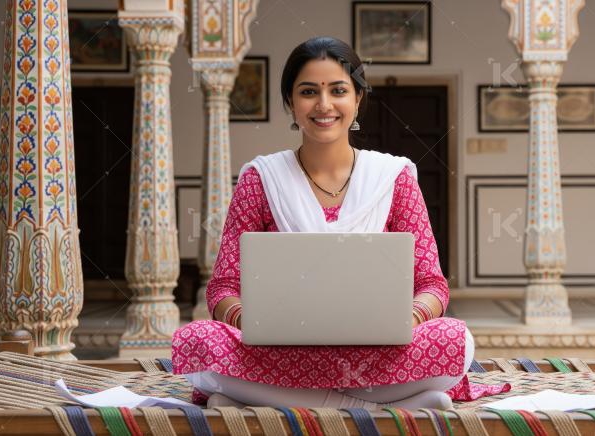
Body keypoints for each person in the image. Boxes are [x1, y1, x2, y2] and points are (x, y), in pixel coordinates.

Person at [171, 36, 509, 410]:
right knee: (198, 340)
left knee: (453, 339)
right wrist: (255, 323)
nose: (324, 104)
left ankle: (264, 397)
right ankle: (378, 406)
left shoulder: (393, 178)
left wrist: (402, 322)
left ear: (358, 98)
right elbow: (222, 288)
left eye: (338, 90)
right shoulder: (261, 179)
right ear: (290, 103)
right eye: (308, 91)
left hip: (377, 349)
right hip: (280, 349)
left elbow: (432, 284)